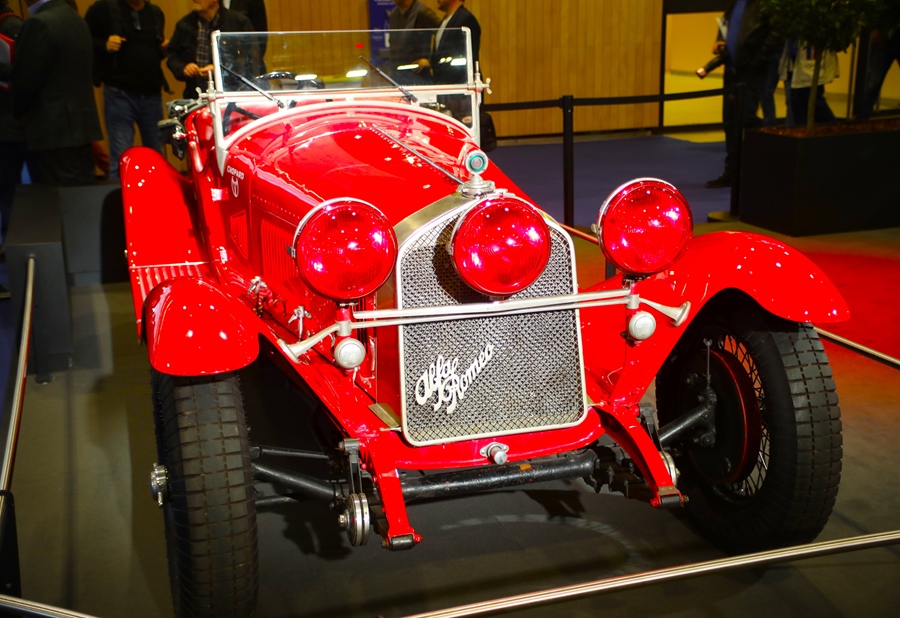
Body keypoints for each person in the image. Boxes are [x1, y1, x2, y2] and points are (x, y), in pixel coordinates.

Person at [10, 0, 104, 187]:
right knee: (82, 194)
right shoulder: (75, 18)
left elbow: (25, 81)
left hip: (53, 129)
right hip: (82, 125)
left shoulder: (38, 23)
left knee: (59, 197)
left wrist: (17, 112)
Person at [85, 0, 168, 180]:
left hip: (152, 94)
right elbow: (83, 39)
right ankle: (120, 197)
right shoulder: (104, 9)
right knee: (121, 158)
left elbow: (153, 48)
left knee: (157, 157)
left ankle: (159, 196)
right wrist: (104, 44)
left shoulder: (155, 12)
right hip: (119, 94)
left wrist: (163, 49)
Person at [705, 0, 783, 189]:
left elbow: (777, 31)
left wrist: (759, 59)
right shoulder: (735, 2)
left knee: (746, 118)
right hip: (732, 69)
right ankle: (731, 171)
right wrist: (719, 40)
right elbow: (725, 23)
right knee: (730, 121)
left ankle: (764, 164)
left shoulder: (766, 3)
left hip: (752, 69)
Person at [166, 0, 254, 99]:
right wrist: (183, 67)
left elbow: (250, 60)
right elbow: (172, 54)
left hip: (231, 95)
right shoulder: (185, 24)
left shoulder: (238, 23)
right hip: (196, 96)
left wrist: (220, 69)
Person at [779, 39, 837, 128]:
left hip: (808, 72)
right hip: (797, 72)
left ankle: (836, 129)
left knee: (815, 106)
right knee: (797, 106)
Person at [429, 0, 481, 85]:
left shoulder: (466, 20)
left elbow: (468, 59)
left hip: (461, 85)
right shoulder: (444, 21)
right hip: (444, 85)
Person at [388, 0, 440, 85]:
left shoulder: (423, 13)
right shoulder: (394, 14)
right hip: (398, 76)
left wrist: (431, 61)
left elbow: (445, 35)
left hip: (419, 77)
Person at [858, 27, 900, 119]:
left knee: (874, 81)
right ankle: (863, 116)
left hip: (887, 37)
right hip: (886, 38)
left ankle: (863, 116)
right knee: (874, 81)